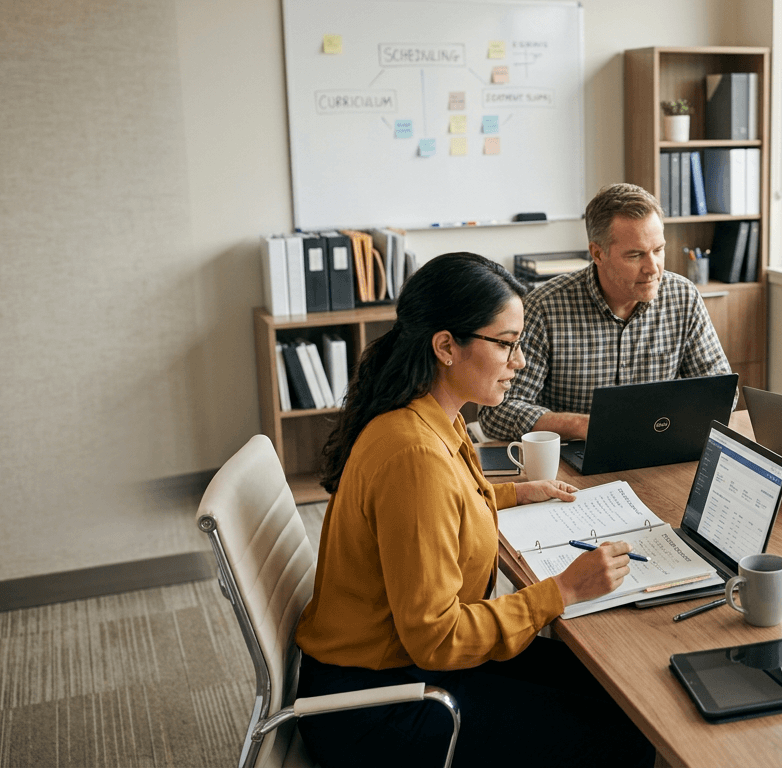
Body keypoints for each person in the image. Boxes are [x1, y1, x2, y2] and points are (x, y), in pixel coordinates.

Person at [294, 253, 656, 767]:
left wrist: (513, 494)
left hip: (396, 668)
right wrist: (564, 590)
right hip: (375, 706)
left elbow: (449, 500)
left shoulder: (429, 415)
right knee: (623, 735)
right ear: (446, 346)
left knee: (618, 692)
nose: (520, 361)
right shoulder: (415, 456)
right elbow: (438, 639)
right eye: (506, 344)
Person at [478, 183, 731, 441]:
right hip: (574, 454)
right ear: (598, 254)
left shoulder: (683, 297)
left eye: (658, 250)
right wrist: (585, 426)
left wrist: (664, 420)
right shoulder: (544, 308)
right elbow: (496, 413)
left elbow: (722, 393)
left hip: (659, 445)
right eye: (635, 255)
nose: (653, 268)